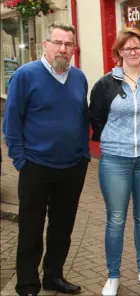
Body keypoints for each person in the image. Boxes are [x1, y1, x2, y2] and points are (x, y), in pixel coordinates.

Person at [2, 22, 90, 296]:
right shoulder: (25, 75)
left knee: (62, 229)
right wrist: (20, 160)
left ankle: (54, 276)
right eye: (58, 42)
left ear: (74, 48)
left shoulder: (79, 77)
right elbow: (12, 122)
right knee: (31, 227)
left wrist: (84, 155)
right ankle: (28, 283)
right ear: (46, 45)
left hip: (72, 166)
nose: (63, 48)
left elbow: (81, 117)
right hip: (36, 166)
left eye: (68, 44)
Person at [89, 28, 140, 296]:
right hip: (115, 161)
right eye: (127, 48)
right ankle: (112, 276)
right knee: (117, 218)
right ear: (119, 51)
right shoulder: (105, 84)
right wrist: (114, 141)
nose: (133, 52)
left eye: (138, 47)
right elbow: (96, 118)